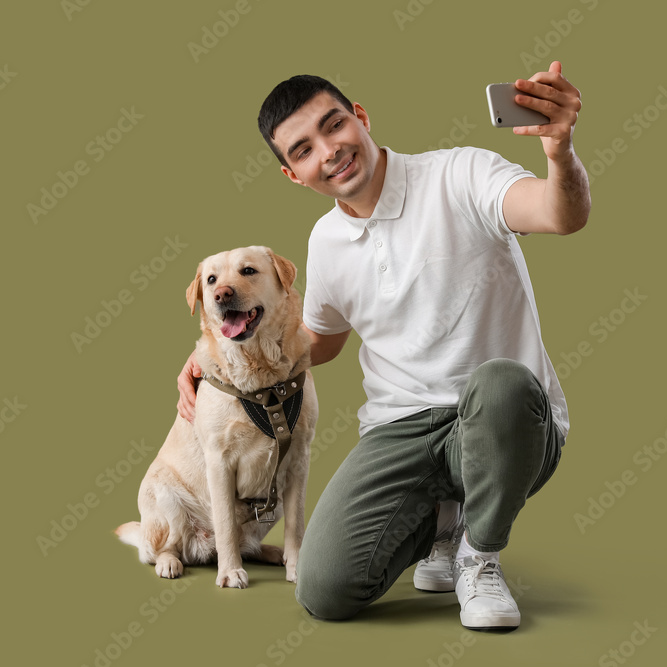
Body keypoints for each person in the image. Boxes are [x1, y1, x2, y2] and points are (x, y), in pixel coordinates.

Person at [178, 61, 589, 630]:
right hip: (400, 428)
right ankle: (442, 523)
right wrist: (215, 364)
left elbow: (558, 214)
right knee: (324, 591)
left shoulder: (459, 174)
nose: (329, 151)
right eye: (303, 150)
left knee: (501, 384)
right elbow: (317, 342)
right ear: (293, 175)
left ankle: (479, 553)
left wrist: (559, 151)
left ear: (362, 118)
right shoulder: (326, 240)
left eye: (334, 125)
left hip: (504, 420)